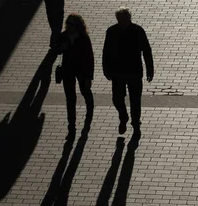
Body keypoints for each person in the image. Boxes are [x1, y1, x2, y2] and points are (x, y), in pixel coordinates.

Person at [103, 8, 154, 140]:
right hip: (117, 72)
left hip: (134, 71)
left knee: (135, 100)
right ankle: (123, 116)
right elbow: (106, 51)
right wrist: (106, 68)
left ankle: (136, 124)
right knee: (117, 99)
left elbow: (146, 50)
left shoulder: (137, 30)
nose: (122, 22)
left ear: (129, 18)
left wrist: (150, 69)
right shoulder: (111, 31)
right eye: (120, 20)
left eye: (124, 19)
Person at [53, 14, 94, 140]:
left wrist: (89, 77)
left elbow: (89, 58)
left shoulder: (84, 38)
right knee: (70, 99)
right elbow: (56, 49)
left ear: (78, 26)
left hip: (82, 71)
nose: (69, 27)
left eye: (72, 25)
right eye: (68, 24)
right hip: (68, 71)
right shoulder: (64, 36)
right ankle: (71, 128)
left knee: (84, 91)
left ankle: (90, 105)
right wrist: (60, 47)